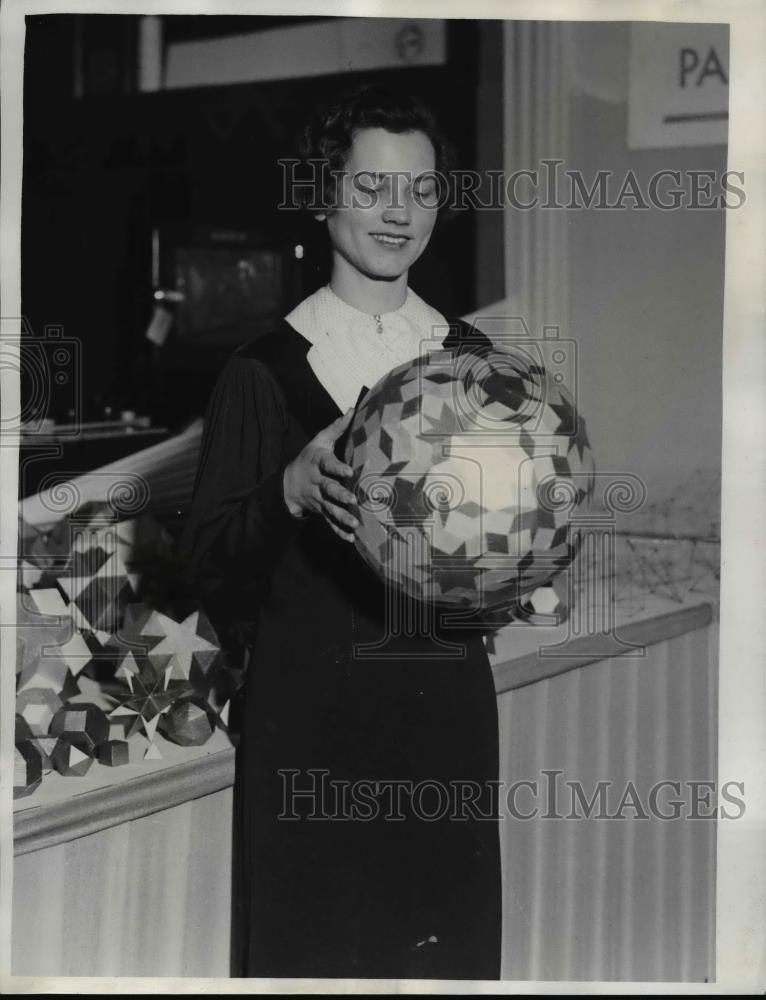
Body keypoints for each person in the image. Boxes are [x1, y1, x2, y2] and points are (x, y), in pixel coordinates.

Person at [180, 84, 502, 980]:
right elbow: (206, 566)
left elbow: (503, 549)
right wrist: (283, 492)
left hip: (445, 720)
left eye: (422, 190)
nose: (399, 214)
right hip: (311, 731)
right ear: (324, 198)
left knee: (445, 958)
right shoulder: (262, 371)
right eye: (372, 189)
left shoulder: (472, 359)